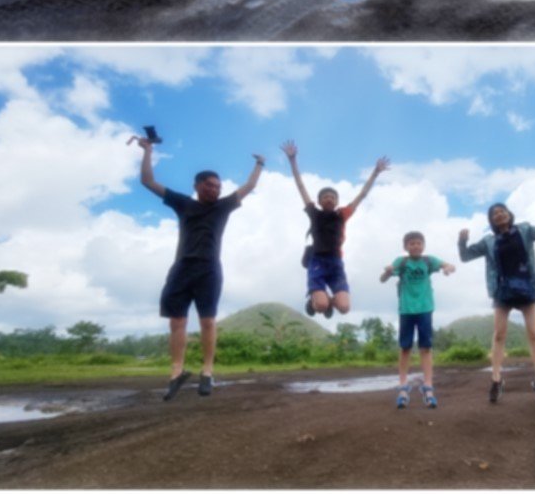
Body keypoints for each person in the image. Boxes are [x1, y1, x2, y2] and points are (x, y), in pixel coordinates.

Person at [137, 136, 265, 401]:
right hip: (182, 267)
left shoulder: (223, 206)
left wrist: (260, 164)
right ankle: (176, 371)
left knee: (207, 321)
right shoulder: (184, 203)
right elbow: (148, 181)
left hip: (209, 269)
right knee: (177, 321)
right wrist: (148, 151)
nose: (214, 190)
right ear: (197, 186)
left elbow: (249, 186)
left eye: (218, 186)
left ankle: (207, 371)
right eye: (209, 185)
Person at [458, 197, 535, 406]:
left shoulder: (525, 230)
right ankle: (496, 379)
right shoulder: (488, 241)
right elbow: (466, 256)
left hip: (526, 286)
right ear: (492, 221)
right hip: (502, 290)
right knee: (499, 335)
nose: (499, 214)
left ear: (509, 214)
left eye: (502, 210)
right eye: (494, 213)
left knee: (534, 334)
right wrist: (462, 242)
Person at [282, 140, 390, 319]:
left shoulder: (342, 215)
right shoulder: (314, 213)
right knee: (321, 306)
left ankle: (327, 301)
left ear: (337, 201)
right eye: (325, 197)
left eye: (333, 197)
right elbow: (300, 186)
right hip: (317, 262)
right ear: (319, 201)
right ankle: (315, 301)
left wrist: (375, 173)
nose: (329, 199)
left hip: (336, 264)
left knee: (345, 308)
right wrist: (293, 161)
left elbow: (362, 195)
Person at [380, 231, 455, 409]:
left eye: (419, 243)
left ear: (423, 245)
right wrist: (388, 271)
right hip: (406, 309)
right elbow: (383, 279)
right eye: (411, 243)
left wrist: (447, 268)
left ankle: (427, 386)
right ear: (405, 247)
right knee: (405, 348)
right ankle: (403, 386)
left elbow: (450, 265)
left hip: (425, 309)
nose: (415, 246)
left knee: (426, 348)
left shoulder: (429, 261)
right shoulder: (401, 262)